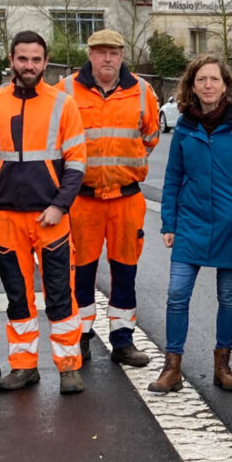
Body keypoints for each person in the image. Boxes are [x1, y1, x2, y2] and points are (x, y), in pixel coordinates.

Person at [149, 55, 232, 394]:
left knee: (228, 296)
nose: (208, 85)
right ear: (192, 86)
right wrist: (168, 223)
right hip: (190, 223)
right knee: (177, 295)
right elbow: (173, 177)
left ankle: (223, 366)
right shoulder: (185, 127)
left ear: (225, 85)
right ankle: (172, 367)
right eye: (201, 80)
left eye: (214, 79)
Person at [0, 31, 88, 395]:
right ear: (11, 60)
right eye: (22, 59)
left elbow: (76, 164)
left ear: (45, 60)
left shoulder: (62, 104)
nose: (29, 66)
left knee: (59, 295)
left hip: (49, 218)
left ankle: (69, 366)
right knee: (17, 297)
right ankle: (23, 367)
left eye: (36, 60)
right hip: (5, 217)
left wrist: (59, 205)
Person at [56, 29, 160, 368]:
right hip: (82, 200)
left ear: (122, 54)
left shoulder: (142, 92)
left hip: (126, 200)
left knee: (125, 272)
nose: (107, 58)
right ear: (89, 54)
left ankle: (123, 341)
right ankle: (82, 337)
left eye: (113, 52)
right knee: (80, 272)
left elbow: (149, 137)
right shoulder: (66, 91)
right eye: (100, 52)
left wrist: (120, 167)